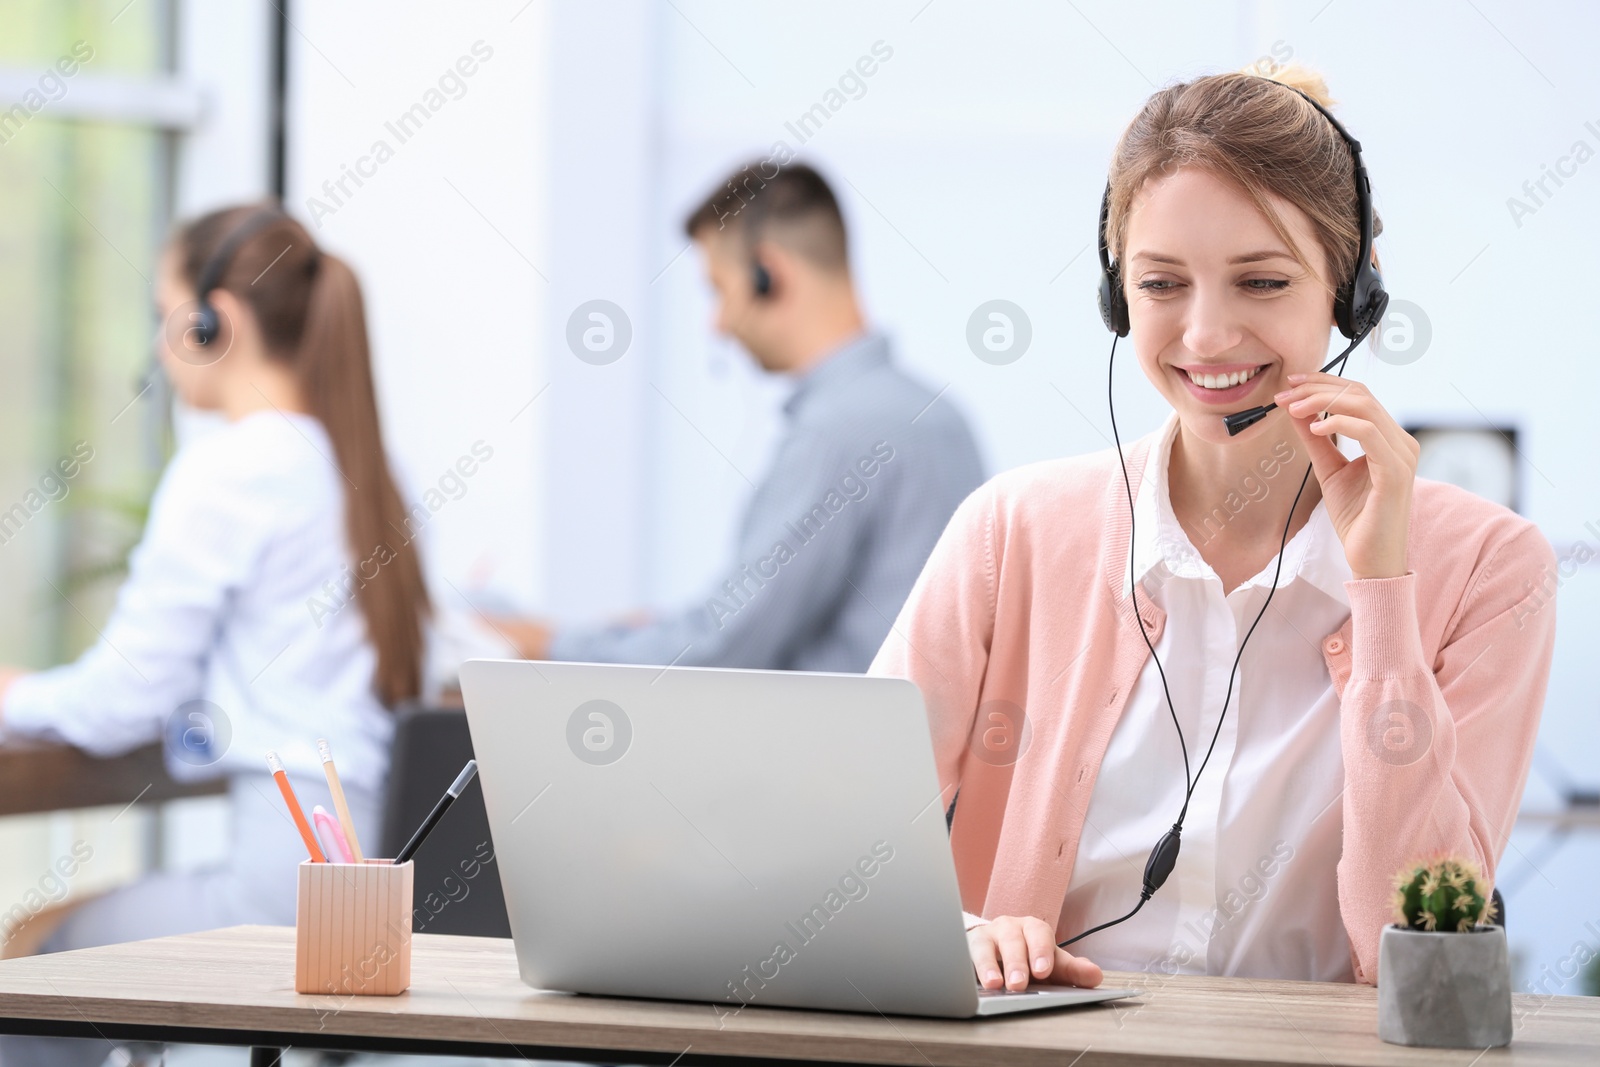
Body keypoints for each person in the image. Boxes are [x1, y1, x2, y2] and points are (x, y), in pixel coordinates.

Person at [870, 66, 1557, 992]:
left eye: (1262, 281)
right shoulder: (1015, 530)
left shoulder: (1488, 567)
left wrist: (1384, 592)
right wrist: (953, 932)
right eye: (1161, 284)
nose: (1204, 335)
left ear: (1355, 295)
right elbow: (845, 847)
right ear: (1118, 298)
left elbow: (1426, 944)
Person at [0, 204, 432, 1067]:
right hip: (365, 880)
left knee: (28, 950)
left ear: (212, 321)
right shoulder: (361, 468)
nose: (160, 350)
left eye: (164, 318)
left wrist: (18, 695)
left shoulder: (235, 465)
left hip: (284, 890)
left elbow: (121, 699)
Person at [494, 161, 984, 672]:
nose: (719, 325)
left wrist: (547, 644)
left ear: (767, 274)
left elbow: (725, 645)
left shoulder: (838, 431)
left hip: (833, 750)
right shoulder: (943, 417)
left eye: (718, 290)